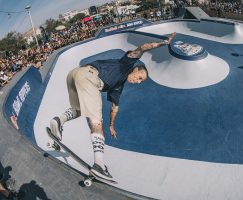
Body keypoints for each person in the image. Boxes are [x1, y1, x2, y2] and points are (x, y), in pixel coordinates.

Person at [49, 32, 177, 181]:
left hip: (75, 74)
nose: (138, 82)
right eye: (140, 78)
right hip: (90, 77)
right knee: (96, 123)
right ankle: (99, 165)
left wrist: (111, 126)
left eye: (141, 82)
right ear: (136, 70)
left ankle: (58, 121)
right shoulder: (126, 63)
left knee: (79, 110)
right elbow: (142, 48)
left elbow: (115, 107)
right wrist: (163, 43)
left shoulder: (118, 86)